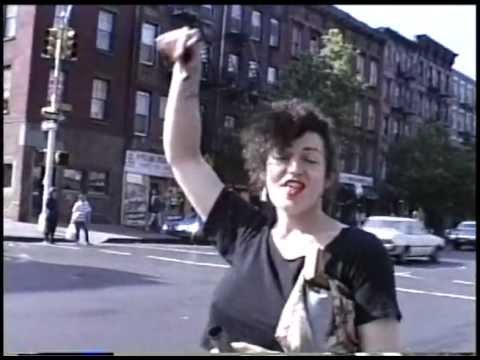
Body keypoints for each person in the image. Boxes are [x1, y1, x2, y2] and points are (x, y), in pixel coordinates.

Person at [158, 27, 402, 353]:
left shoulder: (360, 253)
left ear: (328, 177)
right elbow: (185, 157)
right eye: (282, 157)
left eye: (310, 159)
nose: (295, 168)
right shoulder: (246, 234)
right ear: (263, 172)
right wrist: (187, 73)